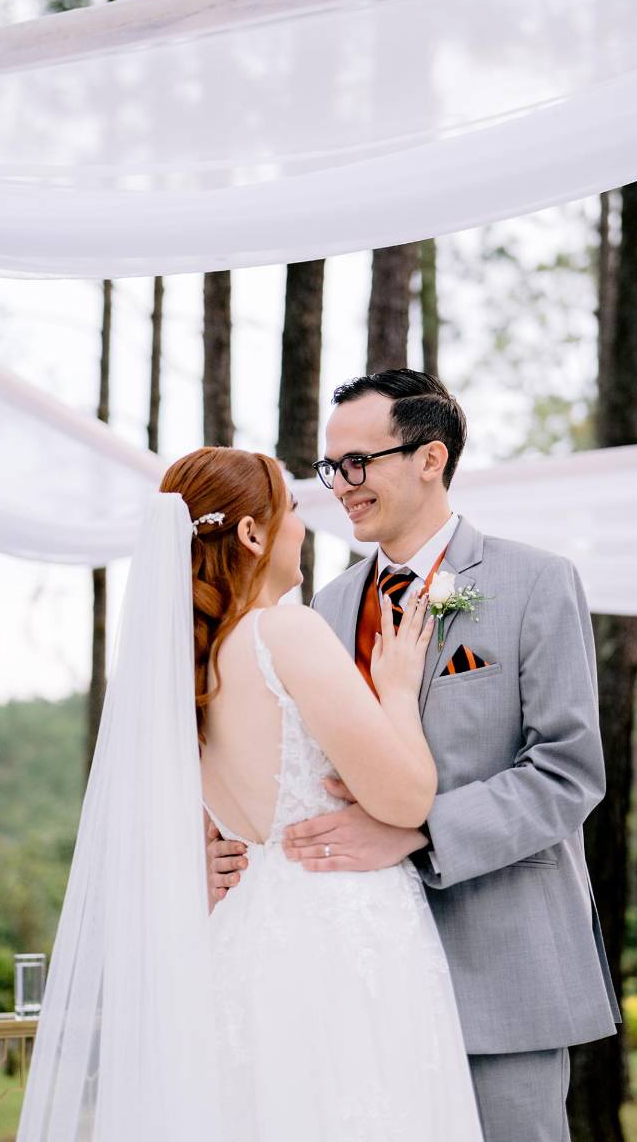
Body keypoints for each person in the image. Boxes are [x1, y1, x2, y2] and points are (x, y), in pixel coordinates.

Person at [209, 370, 621, 1142]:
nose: (340, 485)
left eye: (358, 462)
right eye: (331, 468)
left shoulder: (535, 582)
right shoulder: (317, 610)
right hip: (350, 977)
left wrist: (421, 829)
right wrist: (220, 842)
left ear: (430, 458)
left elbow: (568, 769)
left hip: (500, 968)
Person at [169, 446, 484, 1141]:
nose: (303, 528)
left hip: (248, 939)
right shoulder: (286, 631)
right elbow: (404, 801)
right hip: (341, 937)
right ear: (252, 534)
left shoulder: (183, 670)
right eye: (292, 510)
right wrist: (398, 692)